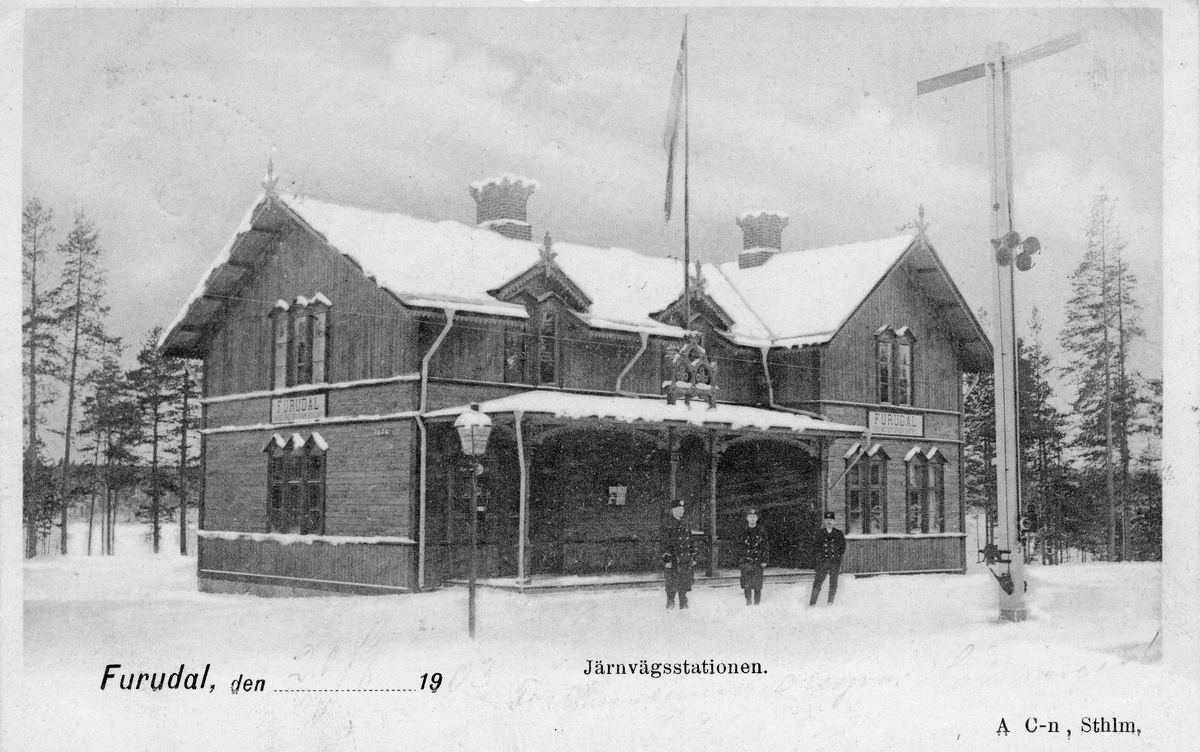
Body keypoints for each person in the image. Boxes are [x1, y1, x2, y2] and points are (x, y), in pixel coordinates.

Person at [662, 499, 696, 609]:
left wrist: (693, 556)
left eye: (683, 509)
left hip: (685, 558)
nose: (682, 511)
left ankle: (683, 601)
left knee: (685, 581)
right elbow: (665, 543)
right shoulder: (667, 524)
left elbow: (690, 541)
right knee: (672, 581)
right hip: (674, 558)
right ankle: (670, 601)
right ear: (673, 510)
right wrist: (667, 560)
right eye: (679, 509)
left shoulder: (685, 523)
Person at [809, 511, 846, 606]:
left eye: (831, 520)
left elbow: (842, 548)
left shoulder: (839, 534)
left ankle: (830, 602)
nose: (829, 521)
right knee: (818, 582)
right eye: (827, 519)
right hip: (823, 561)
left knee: (833, 583)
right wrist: (820, 558)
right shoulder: (819, 533)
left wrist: (837, 556)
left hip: (834, 562)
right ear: (824, 521)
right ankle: (812, 603)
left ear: (834, 521)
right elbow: (815, 548)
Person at [739, 507, 770, 606]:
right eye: (750, 516)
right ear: (747, 518)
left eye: (754, 517)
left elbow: (765, 546)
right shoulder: (743, 530)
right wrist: (741, 560)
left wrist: (765, 560)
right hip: (746, 561)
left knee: (757, 585)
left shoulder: (761, 530)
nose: (752, 519)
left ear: (757, 518)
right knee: (746, 584)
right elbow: (739, 546)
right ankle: (748, 602)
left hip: (758, 561)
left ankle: (757, 603)